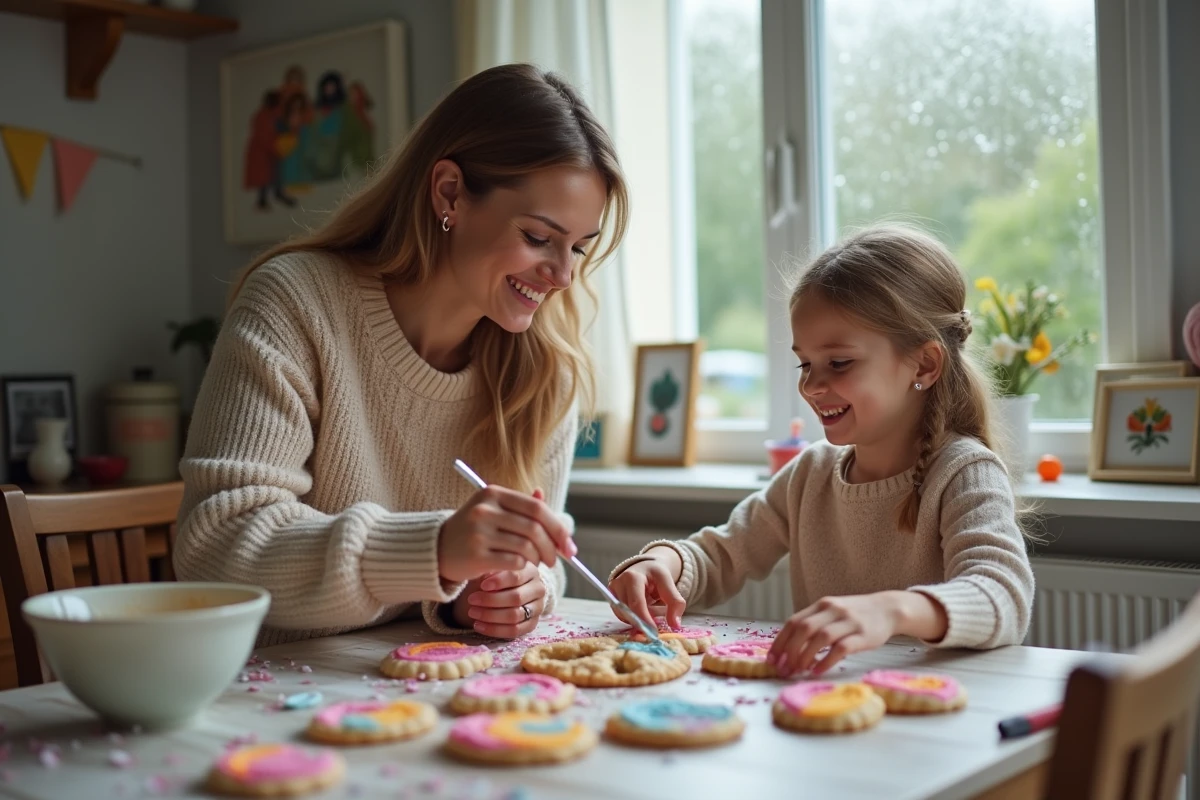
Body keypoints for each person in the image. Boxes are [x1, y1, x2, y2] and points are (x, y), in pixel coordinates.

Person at [175, 63, 629, 646]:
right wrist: (435, 551)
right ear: (450, 194)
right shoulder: (296, 302)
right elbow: (215, 549)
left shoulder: (547, 369)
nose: (563, 275)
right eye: (539, 238)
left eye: (578, 248)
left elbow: (538, 567)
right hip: (273, 701)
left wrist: (506, 593)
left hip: (434, 700)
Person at [609, 225, 1034, 677]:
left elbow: (1001, 594)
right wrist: (661, 563)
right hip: (826, 710)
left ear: (925, 364)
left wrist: (890, 611)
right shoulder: (811, 473)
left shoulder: (964, 471)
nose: (811, 385)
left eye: (839, 363)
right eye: (805, 363)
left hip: (938, 716)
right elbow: (722, 555)